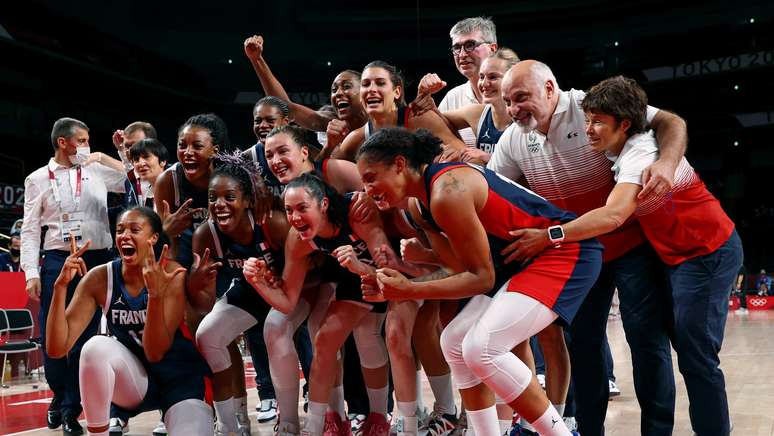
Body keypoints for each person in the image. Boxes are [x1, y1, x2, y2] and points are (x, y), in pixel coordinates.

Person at [511, 76, 742, 436]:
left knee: (696, 355)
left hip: (706, 251)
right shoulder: (611, 152)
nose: (587, 129)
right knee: (673, 346)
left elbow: (614, 215)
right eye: (586, 120)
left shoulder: (641, 153)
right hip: (674, 257)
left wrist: (549, 236)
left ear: (625, 124)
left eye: (598, 121)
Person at [355, 127, 602, 436]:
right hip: (520, 262)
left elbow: (481, 278)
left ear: (400, 165)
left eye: (370, 178)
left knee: (481, 347)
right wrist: (396, 286)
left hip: (562, 252)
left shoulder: (448, 190)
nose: (366, 190)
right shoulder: (419, 206)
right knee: (454, 342)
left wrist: (410, 288)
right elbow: (456, 268)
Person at [490, 61, 689, 436]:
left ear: (551, 89)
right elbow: (494, 192)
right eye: (508, 101)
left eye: (522, 98)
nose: (515, 109)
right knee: (583, 345)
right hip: (580, 253)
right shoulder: (514, 137)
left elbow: (670, 122)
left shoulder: (592, 106)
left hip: (631, 244)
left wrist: (666, 160)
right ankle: (587, 430)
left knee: (645, 340)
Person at [244, 173, 406, 436]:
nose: (295, 218)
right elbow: (287, 302)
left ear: (324, 205)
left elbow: (391, 273)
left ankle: (384, 417)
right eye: (288, 210)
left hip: (398, 271)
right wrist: (258, 281)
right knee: (325, 338)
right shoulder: (298, 240)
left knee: (378, 337)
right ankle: (323, 424)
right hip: (357, 277)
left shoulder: (358, 213)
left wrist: (360, 267)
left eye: (301, 208)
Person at [45, 207, 213, 436]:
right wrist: (60, 287)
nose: (124, 235)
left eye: (135, 229)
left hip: (179, 378)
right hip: (136, 379)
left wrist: (154, 295)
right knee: (94, 347)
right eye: (120, 230)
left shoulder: (172, 274)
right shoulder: (100, 278)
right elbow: (56, 348)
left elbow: (156, 351)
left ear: (153, 238)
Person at [21, 117, 127, 436]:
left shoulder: (96, 171)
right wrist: (30, 271)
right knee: (54, 337)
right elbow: (28, 229)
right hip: (58, 258)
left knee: (86, 337)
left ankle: (71, 408)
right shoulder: (38, 178)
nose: (86, 145)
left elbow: (131, 178)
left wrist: (112, 154)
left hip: (97, 257)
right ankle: (60, 397)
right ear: (63, 143)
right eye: (82, 140)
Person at [191, 156, 290, 436]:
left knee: (277, 331)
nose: (219, 204)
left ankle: (290, 421)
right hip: (250, 291)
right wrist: (199, 283)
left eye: (229, 197)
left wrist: (275, 279)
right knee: (207, 335)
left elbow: (306, 272)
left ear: (247, 201)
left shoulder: (273, 223)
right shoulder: (205, 235)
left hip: (291, 290)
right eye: (213, 198)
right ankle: (231, 426)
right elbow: (202, 303)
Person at [244, 34, 369, 153]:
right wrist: (257, 60)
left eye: (346, 86)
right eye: (334, 90)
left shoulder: (381, 120)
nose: (338, 93)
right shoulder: (329, 121)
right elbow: (285, 107)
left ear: (364, 90)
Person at [330, 61, 467, 162]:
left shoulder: (420, 118)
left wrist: (456, 158)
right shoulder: (357, 138)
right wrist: (329, 145)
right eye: (366, 84)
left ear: (397, 92)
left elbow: (472, 159)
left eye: (380, 83)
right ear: (361, 95)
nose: (371, 89)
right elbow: (325, 173)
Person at [415, 47, 518, 164]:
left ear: (513, 79)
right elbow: (436, 121)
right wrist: (426, 99)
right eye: (482, 77)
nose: (484, 83)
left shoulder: (526, 119)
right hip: (484, 181)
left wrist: (490, 157)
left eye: (493, 77)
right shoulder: (477, 113)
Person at [155, 113, 230, 269]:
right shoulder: (168, 180)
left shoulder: (231, 176)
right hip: (187, 251)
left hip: (230, 249)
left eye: (197, 146)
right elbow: (168, 248)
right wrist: (166, 231)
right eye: (182, 145)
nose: (188, 152)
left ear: (214, 150)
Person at [439, 17, 498, 146]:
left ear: (493, 49)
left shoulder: (514, 92)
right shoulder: (452, 98)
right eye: (456, 48)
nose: (462, 54)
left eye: (470, 45)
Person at [245, 96, 291, 197]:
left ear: (285, 122)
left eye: (270, 120)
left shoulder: (303, 152)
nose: (262, 125)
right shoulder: (246, 158)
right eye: (258, 121)